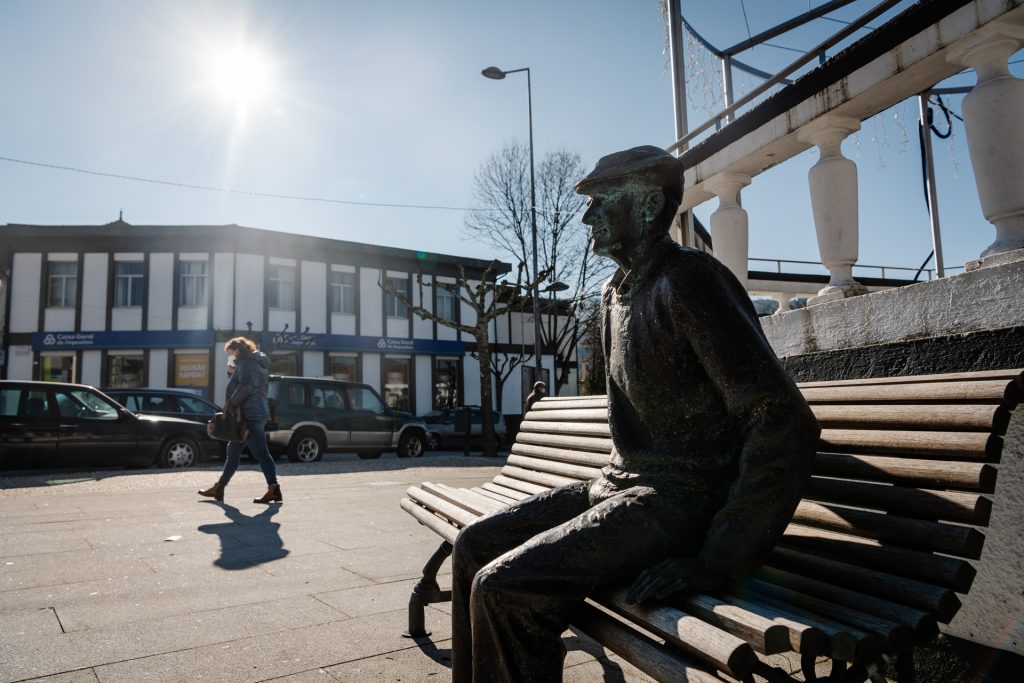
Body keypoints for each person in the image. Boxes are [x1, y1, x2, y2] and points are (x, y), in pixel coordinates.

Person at [450, 146, 820, 682]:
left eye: (601, 201)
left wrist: (720, 557)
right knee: (473, 545)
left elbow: (781, 419)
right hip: (621, 487)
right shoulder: (613, 292)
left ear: (648, 205)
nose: (586, 216)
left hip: (682, 502)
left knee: (507, 588)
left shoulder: (690, 281)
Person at [198, 337, 282, 504]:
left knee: (261, 453)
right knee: (233, 451)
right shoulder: (254, 362)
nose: (230, 356)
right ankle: (219, 488)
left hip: (250, 415)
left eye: (230, 352)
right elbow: (248, 383)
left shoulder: (247, 363)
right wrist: (232, 373)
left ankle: (274, 489)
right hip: (253, 412)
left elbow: (246, 387)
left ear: (237, 349)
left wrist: (230, 404)